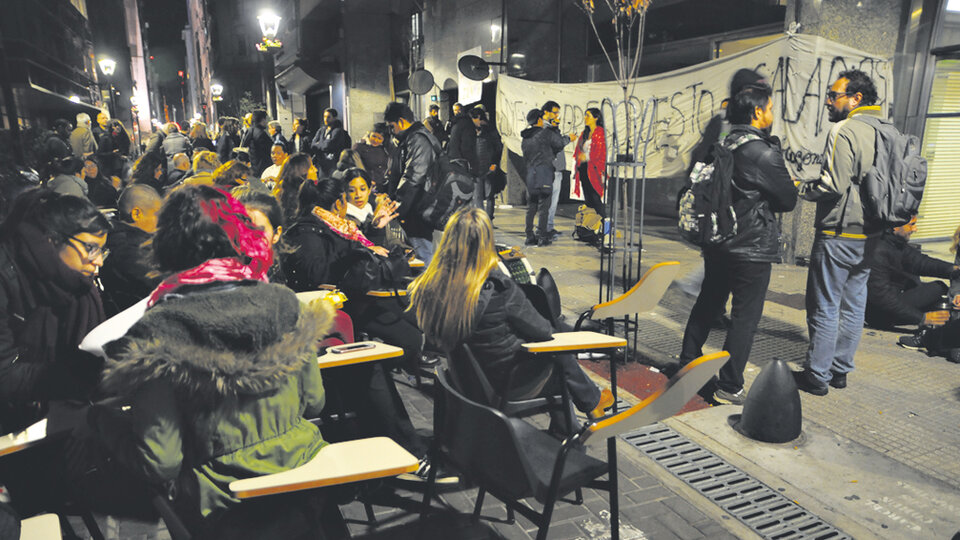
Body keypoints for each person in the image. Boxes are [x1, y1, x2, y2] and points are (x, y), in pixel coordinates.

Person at [93, 185, 337, 536]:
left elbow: (162, 461)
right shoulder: (286, 303)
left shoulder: (157, 331)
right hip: (304, 485)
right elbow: (315, 402)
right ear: (239, 236)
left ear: (165, 245)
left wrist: (107, 427)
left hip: (223, 509)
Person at [407, 207, 613, 432]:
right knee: (558, 357)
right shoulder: (498, 289)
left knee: (558, 353)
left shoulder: (429, 286)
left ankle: (587, 409)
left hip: (465, 379)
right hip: (508, 383)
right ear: (487, 244)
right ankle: (580, 419)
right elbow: (543, 331)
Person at [282, 178, 436, 472]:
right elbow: (322, 277)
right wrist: (358, 261)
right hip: (331, 322)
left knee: (409, 332)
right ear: (337, 202)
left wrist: (371, 236)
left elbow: (343, 259)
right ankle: (409, 451)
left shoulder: (328, 226)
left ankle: (407, 446)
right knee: (377, 362)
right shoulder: (309, 233)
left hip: (343, 314)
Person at [677, 83, 797, 405]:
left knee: (708, 301)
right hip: (751, 248)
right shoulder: (762, 153)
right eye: (770, 108)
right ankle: (729, 387)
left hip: (718, 241)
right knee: (745, 317)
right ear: (758, 112)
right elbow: (788, 199)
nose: (772, 114)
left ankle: (687, 361)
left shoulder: (724, 143)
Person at [795, 69, 884, 396]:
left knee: (825, 304)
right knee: (853, 302)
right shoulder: (886, 129)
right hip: (871, 232)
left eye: (834, 96)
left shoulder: (844, 130)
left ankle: (817, 376)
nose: (828, 102)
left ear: (856, 98)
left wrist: (804, 189)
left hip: (839, 230)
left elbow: (833, 184)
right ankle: (840, 370)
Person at [0, 190, 109, 434]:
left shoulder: (73, 283)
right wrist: (82, 377)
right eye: (91, 248)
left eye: (102, 249)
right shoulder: (6, 276)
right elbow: (4, 375)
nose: (99, 260)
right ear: (52, 240)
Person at [865, 215, 959, 330]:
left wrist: (952, 269)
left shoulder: (894, 243)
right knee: (937, 289)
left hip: (893, 299)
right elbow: (882, 297)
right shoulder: (878, 251)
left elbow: (920, 262)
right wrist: (922, 318)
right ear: (895, 226)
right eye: (911, 225)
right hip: (878, 314)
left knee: (937, 288)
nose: (915, 229)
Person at [384, 102, 439, 263]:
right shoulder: (413, 137)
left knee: (421, 258)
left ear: (401, 121)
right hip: (417, 206)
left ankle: (425, 287)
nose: (391, 131)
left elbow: (413, 177)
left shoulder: (417, 139)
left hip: (419, 208)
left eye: (392, 126)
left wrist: (396, 208)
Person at [99, 185, 162, 316]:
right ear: (136, 214)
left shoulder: (116, 238)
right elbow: (163, 284)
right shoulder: (128, 250)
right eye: (157, 215)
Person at [521, 109, 575, 247]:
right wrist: (569, 138)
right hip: (544, 173)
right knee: (544, 207)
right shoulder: (545, 133)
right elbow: (558, 144)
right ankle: (542, 236)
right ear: (539, 119)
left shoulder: (525, 138)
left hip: (530, 173)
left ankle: (529, 236)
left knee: (531, 207)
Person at [573, 107, 607, 218]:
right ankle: (591, 227)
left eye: (588, 115)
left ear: (596, 118)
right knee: (588, 199)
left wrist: (586, 157)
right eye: (585, 115)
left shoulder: (600, 133)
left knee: (595, 198)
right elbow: (579, 150)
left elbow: (600, 153)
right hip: (583, 169)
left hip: (594, 170)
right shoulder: (585, 133)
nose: (585, 118)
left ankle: (604, 226)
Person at [473, 107, 504, 219]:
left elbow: (498, 148)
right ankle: (482, 220)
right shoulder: (470, 130)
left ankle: (488, 218)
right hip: (476, 168)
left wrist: (495, 163)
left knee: (489, 195)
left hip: (489, 168)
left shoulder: (490, 131)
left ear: (479, 118)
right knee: (477, 196)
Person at [542, 101, 565, 238]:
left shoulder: (552, 128)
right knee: (548, 201)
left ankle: (549, 226)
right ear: (546, 112)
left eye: (558, 113)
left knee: (553, 201)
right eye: (554, 112)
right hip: (549, 169)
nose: (557, 116)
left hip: (556, 169)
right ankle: (544, 229)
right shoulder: (544, 129)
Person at [274, 153, 318, 223]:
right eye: (312, 168)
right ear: (302, 174)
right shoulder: (306, 206)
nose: (316, 170)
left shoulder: (282, 199)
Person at [311, 108, 351, 176]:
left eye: (329, 117)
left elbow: (328, 145)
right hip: (321, 165)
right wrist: (323, 144)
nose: (326, 119)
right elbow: (313, 145)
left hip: (332, 165)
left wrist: (319, 144)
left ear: (335, 118)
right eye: (324, 116)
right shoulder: (321, 130)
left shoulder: (338, 131)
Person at [246, 110, 274, 177]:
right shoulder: (261, 134)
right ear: (262, 120)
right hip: (263, 170)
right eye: (265, 119)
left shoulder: (250, 131)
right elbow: (268, 151)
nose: (266, 122)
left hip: (254, 168)